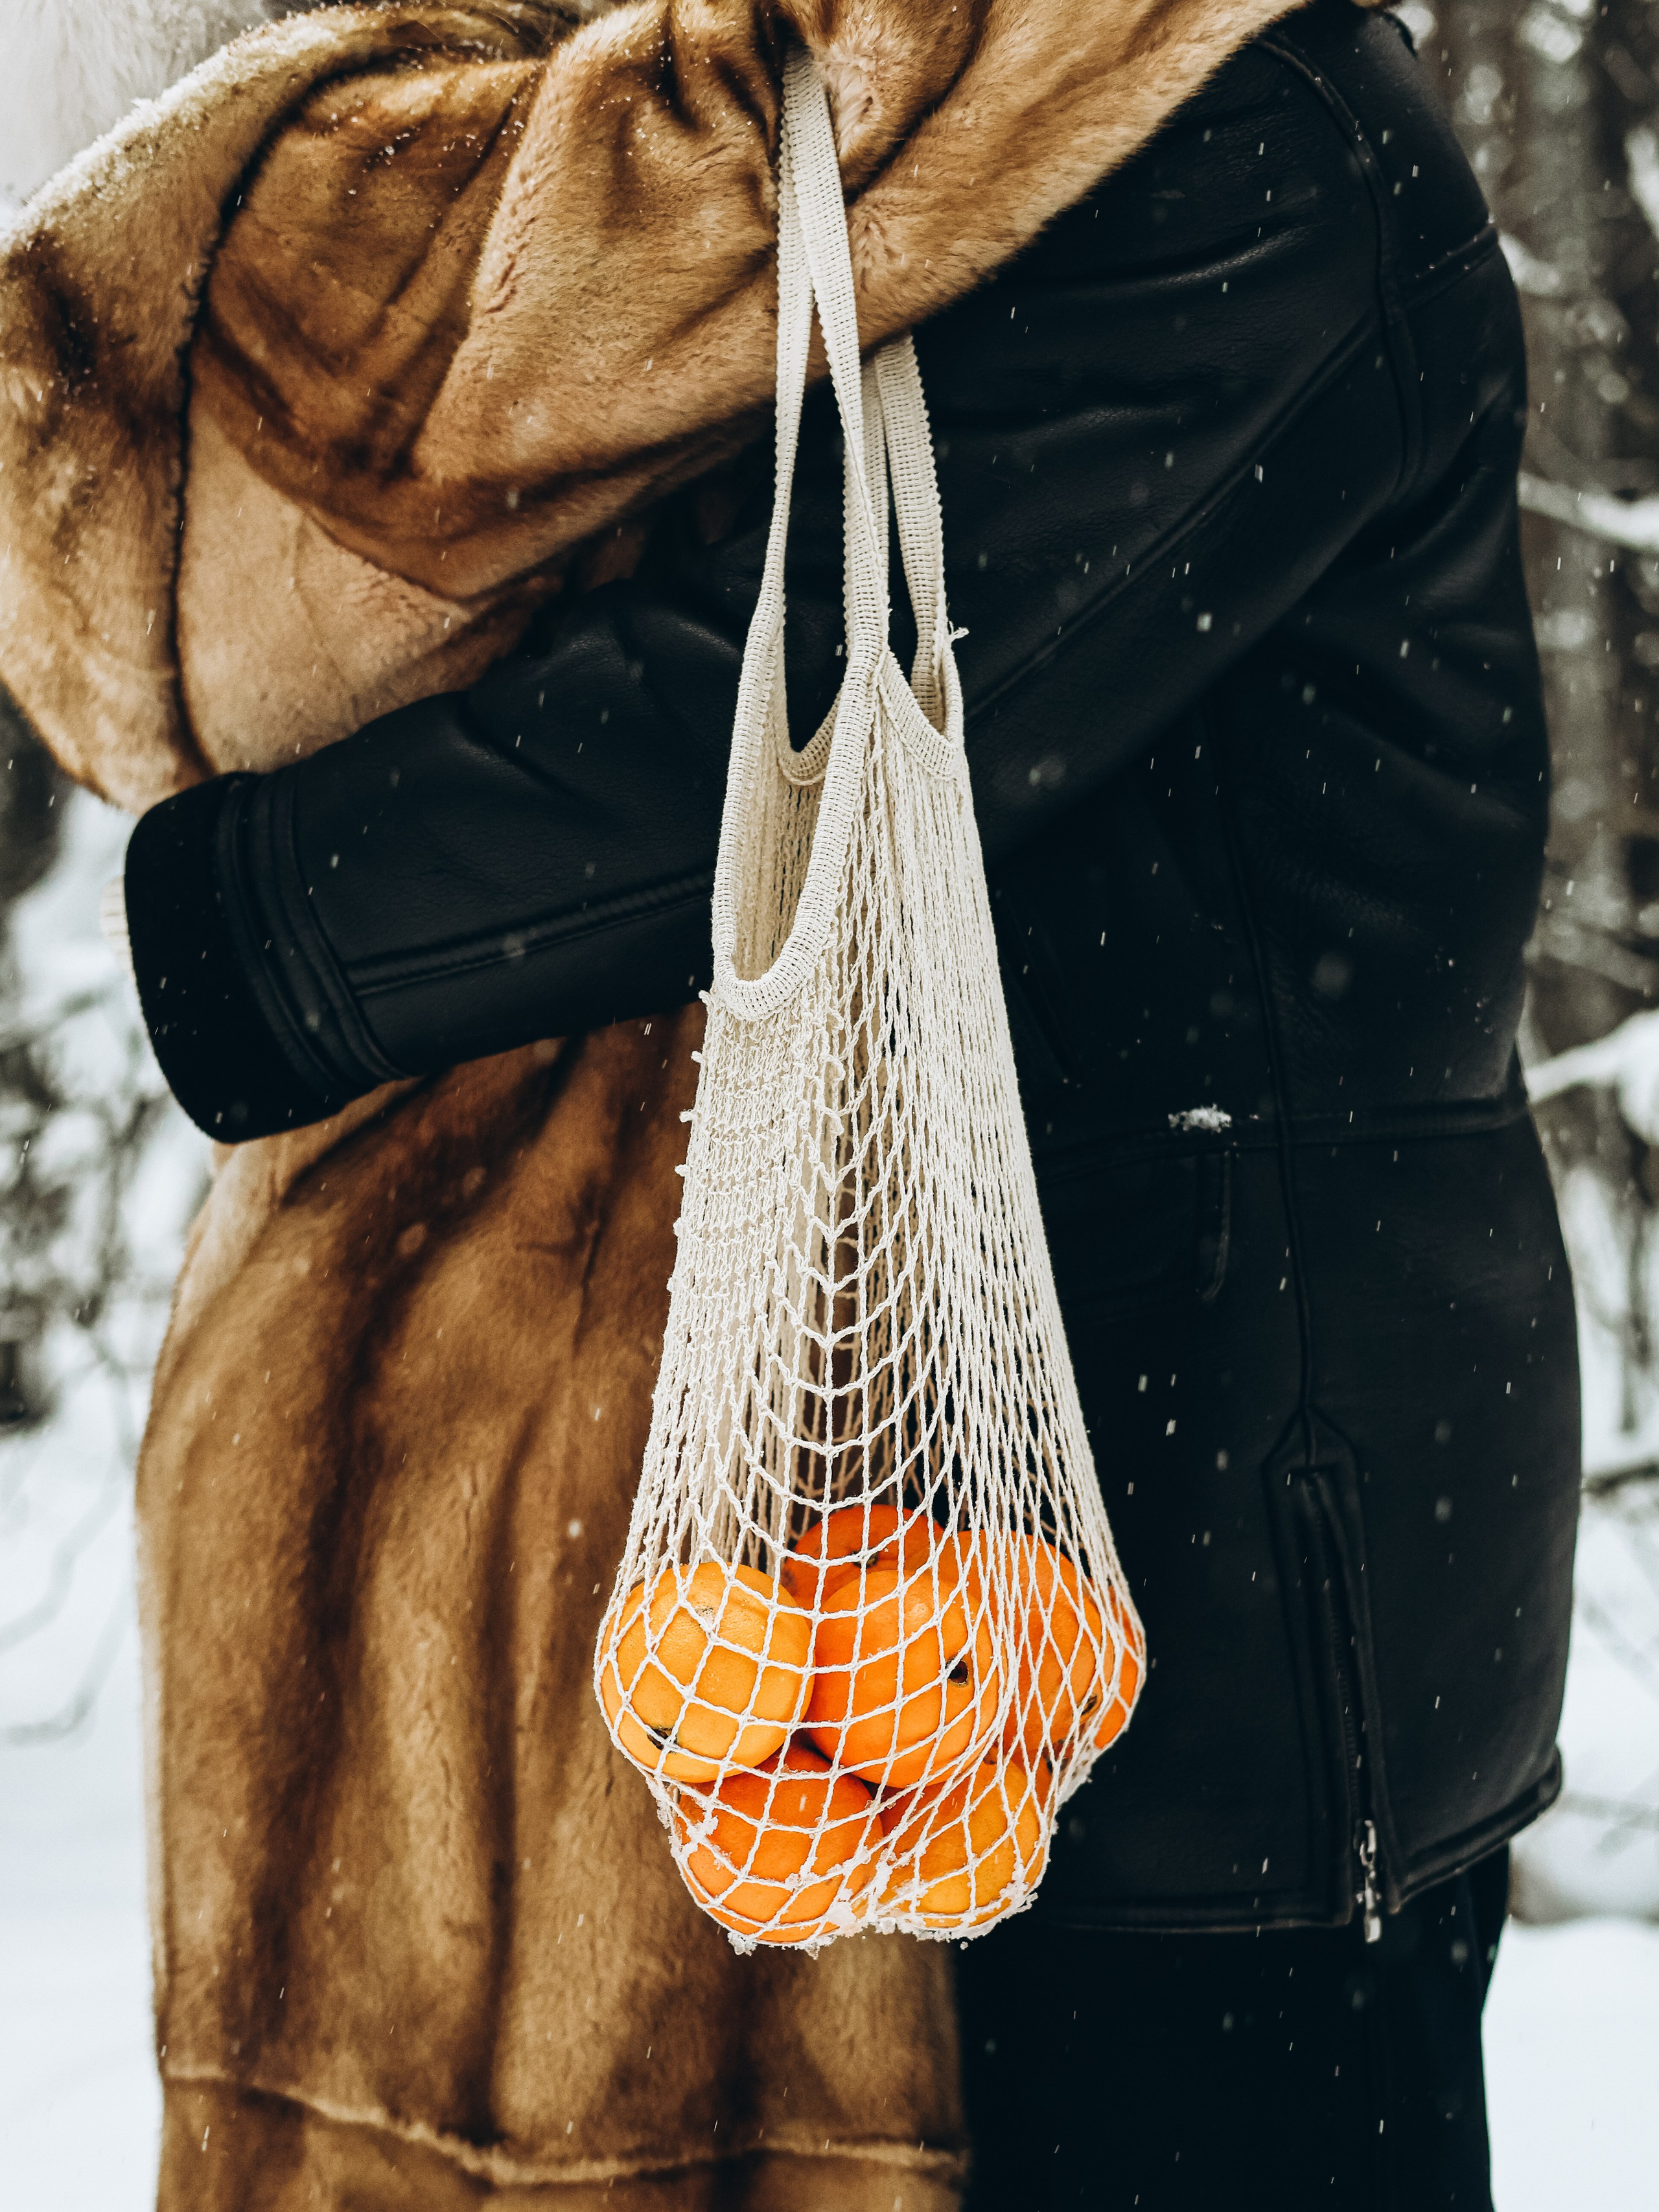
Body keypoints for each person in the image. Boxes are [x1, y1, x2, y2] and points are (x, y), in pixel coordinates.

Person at [117, 3, 1578, 2204]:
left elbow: (821, 685)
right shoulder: (975, 128)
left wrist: (253, 922)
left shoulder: (1267, 139)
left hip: (1254, 1612)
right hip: (986, 1557)